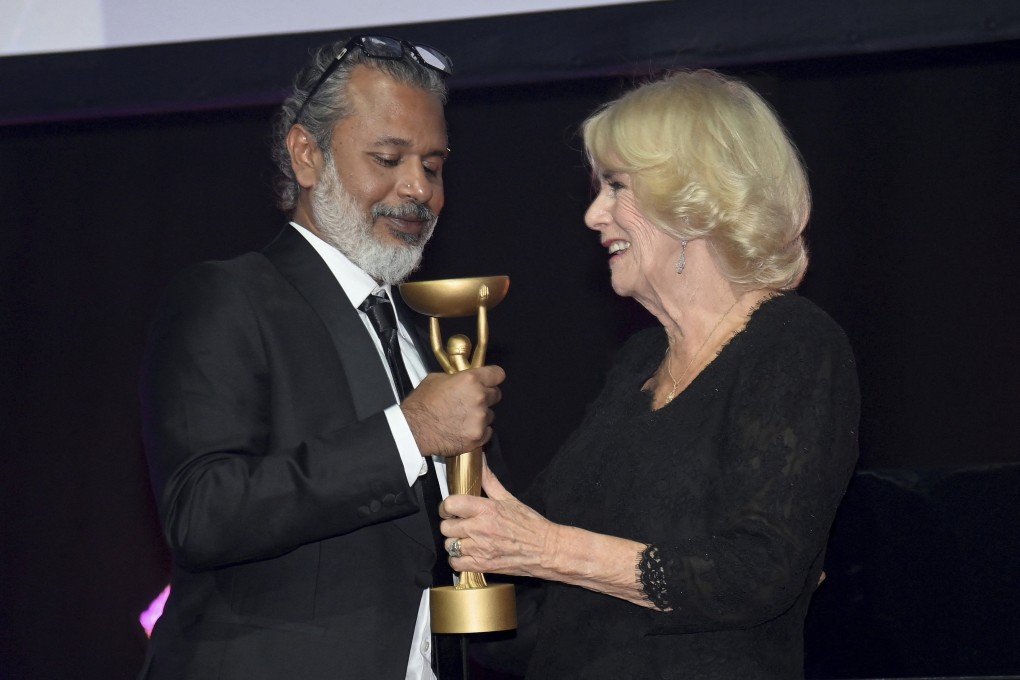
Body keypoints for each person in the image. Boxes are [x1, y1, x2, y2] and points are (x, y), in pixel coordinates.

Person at [439, 70, 860, 679]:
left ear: (693, 198)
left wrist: (551, 551)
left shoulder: (792, 343)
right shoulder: (639, 361)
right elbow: (538, 551)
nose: (593, 214)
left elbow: (758, 573)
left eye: (615, 187)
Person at [138, 35, 505, 680]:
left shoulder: (426, 335)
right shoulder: (230, 296)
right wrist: (410, 434)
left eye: (434, 165)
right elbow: (203, 511)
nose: (418, 189)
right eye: (388, 158)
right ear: (307, 156)